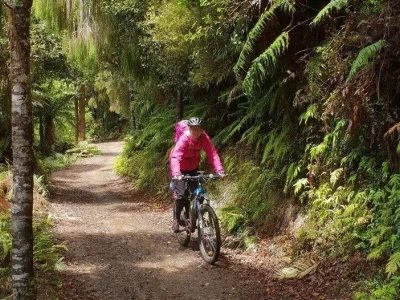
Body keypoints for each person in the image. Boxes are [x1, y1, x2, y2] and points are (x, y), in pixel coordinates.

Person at [169, 117, 226, 233]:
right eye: (193, 129)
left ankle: (196, 215)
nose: (196, 131)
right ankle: (176, 219)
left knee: (199, 194)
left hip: (193, 168)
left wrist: (219, 170)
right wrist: (176, 173)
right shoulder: (185, 138)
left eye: (198, 129)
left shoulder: (204, 137)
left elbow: (212, 153)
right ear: (189, 129)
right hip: (179, 169)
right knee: (180, 195)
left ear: (201, 129)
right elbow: (176, 156)